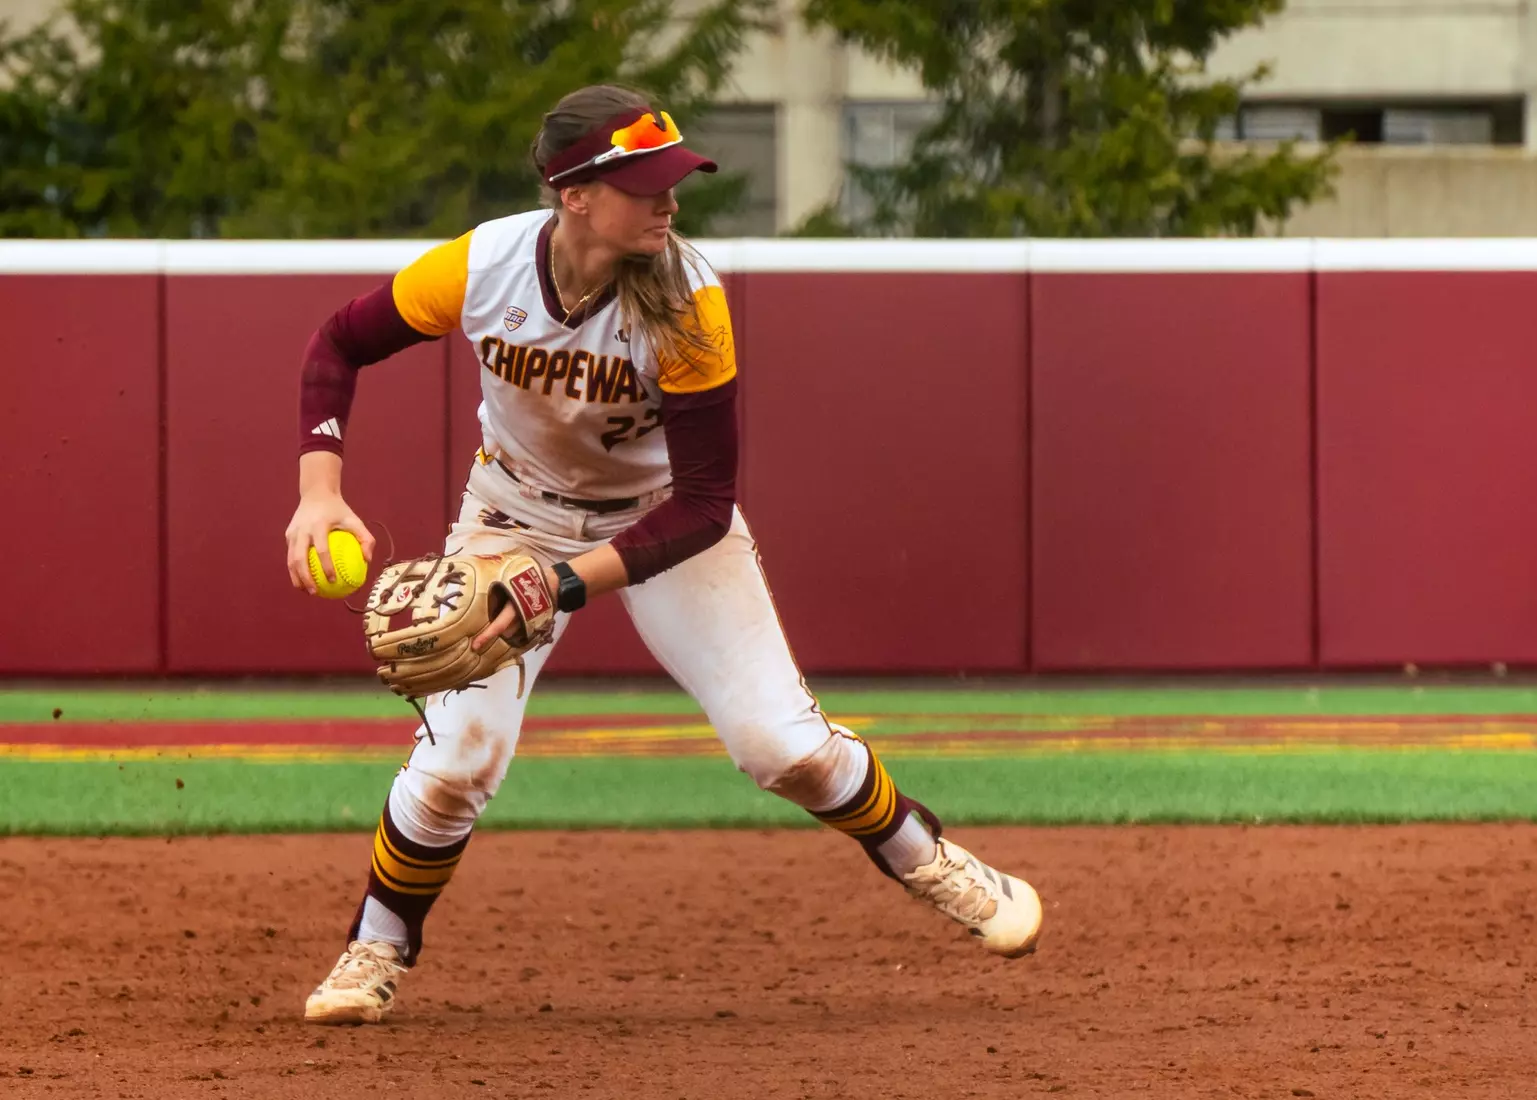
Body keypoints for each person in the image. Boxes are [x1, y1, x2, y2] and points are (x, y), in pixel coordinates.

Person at [284, 83, 1044, 1026]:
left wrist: (556, 585)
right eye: (647, 186)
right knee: (456, 762)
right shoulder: (484, 266)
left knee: (783, 750)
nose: (670, 201)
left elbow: (701, 503)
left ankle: (929, 859)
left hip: (662, 521)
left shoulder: (687, 302)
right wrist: (321, 489)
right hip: (512, 510)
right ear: (576, 196)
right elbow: (337, 343)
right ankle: (375, 950)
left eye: (674, 181)